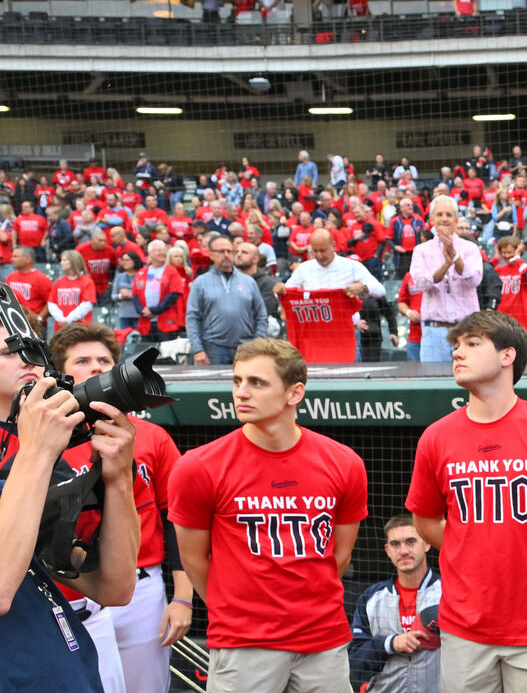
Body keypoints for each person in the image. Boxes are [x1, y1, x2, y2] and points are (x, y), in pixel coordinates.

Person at [406, 310, 527, 693]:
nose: (458, 353)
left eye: (472, 344)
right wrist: (472, 547)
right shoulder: (435, 437)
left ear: (507, 355)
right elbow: (425, 521)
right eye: (457, 346)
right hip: (464, 624)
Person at [169, 339, 368, 693]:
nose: (241, 392)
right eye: (236, 381)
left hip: (323, 639)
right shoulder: (198, 466)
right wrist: (236, 612)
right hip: (244, 643)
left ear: (294, 393)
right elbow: (194, 558)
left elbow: (339, 556)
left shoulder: (344, 462)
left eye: (257, 383)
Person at [0, 308, 140, 692]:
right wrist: (36, 452)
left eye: (32, 352)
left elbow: (113, 587)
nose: (27, 363)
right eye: (9, 352)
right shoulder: (36, 449)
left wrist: (120, 479)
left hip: (64, 669)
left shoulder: (40, 446)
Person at [50, 323, 193, 693]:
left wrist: (182, 595)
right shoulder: (46, 437)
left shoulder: (152, 437)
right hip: (74, 588)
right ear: (61, 372)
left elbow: (177, 518)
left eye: (105, 360)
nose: (96, 368)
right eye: (83, 360)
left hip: (142, 585)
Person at [349, 514, 442, 693]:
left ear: (427, 544)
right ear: (387, 550)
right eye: (395, 544)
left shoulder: (449, 593)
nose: (403, 551)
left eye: (410, 541)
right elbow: (354, 659)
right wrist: (390, 643)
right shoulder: (371, 598)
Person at [408, 196, 483, 362]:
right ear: (431, 219)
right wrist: (444, 268)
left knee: (471, 383)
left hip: (467, 330)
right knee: (434, 384)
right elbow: (420, 283)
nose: (444, 218)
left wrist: (454, 256)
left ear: (456, 220)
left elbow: (474, 280)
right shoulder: (421, 251)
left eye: (449, 215)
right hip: (434, 331)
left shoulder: (470, 248)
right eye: (439, 214)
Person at [185, 233, 268, 365]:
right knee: (216, 386)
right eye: (221, 251)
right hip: (213, 348)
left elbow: (261, 315)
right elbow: (192, 317)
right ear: (211, 254)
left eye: (230, 251)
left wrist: (258, 343)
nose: (226, 255)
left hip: (246, 348)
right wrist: (197, 349)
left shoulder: (248, 282)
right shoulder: (200, 283)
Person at [132, 240, 187, 343]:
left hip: (166, 322)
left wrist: (155, 310)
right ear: (150, 253)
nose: (162, 253)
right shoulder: (142, 272)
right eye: (158, 250)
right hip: (146, 322)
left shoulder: (171, 271)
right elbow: (135, 295)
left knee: (167, 353)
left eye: (164, 250)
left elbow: (175, 294)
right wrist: (142, 310)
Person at [48, 249, 98, 330]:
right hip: (61, 328)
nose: (61, 263)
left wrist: (68, 319)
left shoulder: (87, 281)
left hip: (80, 328)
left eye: (64, 260)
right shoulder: (59, 282)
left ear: (73, 261)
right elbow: (51, 303)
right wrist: (61, 318)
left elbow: (87, 305)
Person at [5, 245, 52, 330]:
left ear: (28, 259)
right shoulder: (11, 277)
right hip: (14, 323)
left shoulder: (41, 278)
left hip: (34, 325)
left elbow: (51, 302)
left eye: (15, 256)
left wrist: (39, 319)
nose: (12, 259)